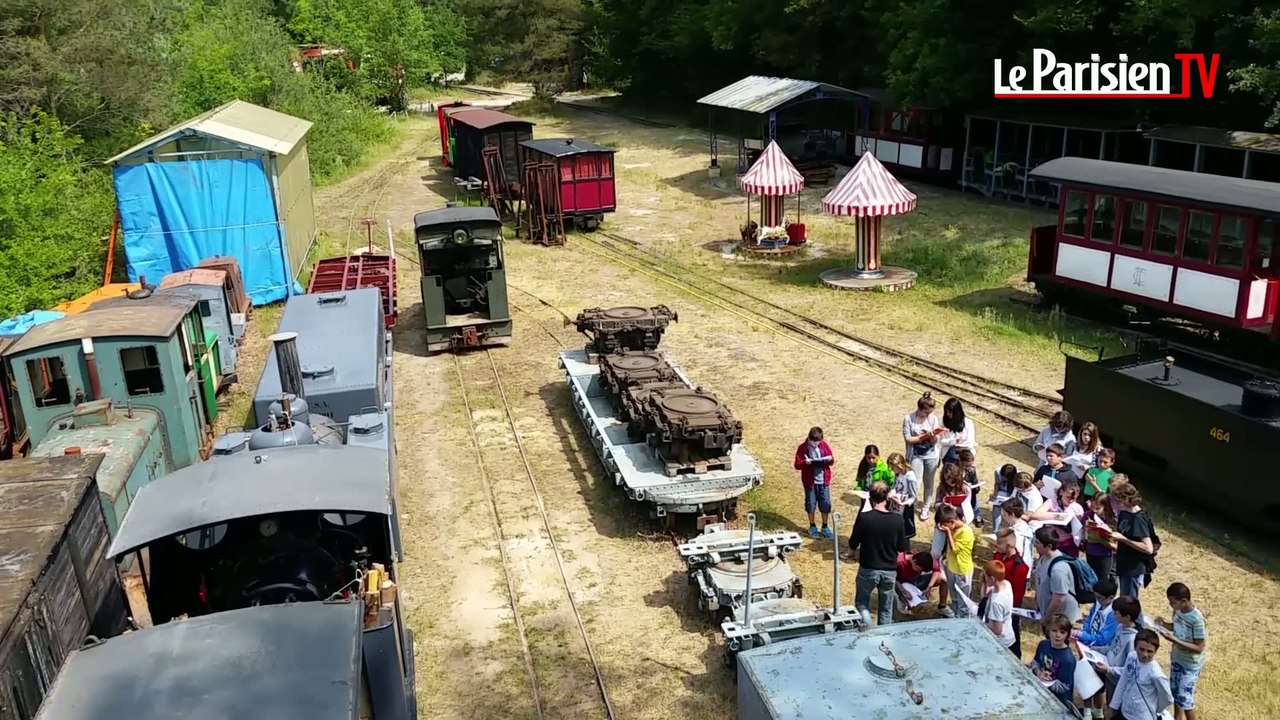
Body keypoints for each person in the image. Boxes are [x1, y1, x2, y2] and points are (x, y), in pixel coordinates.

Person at [846, 482, 909, 625]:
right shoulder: (898, 519)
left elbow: (853, 543)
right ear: (887, 497)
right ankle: (884, 638)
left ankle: (867, 628)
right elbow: (902, 547)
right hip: (889, 571)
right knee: (886, 608)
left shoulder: (865, 517)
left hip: (868, 568)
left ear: (870, 496)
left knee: (862, 603)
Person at [1157, 582, 1207, 720]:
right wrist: (1163, 625)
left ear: (1184, 601)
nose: (1170, 605)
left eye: (1173, 602)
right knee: (1175, 693)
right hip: (1177, 658)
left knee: (1185, 699)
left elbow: (1199, 648)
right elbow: (1177, 627)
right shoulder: (1178, 611)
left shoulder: (1196, 620)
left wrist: (1174, 640)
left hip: (1190, 664)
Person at [1088, 595, 1142, 716]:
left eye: (1116, 613)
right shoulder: (1120, 627)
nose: (1114, 616)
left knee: (1116, 711)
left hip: (1118, 681)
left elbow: (1130, 669)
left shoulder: (1132, 640)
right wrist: (1098, 649)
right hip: (1110, 676)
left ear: (1127, 617)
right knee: (1109, 704)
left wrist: (1109, 669)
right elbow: (1113, 648)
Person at [1108, 628, 1174, 720]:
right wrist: (1113, 706)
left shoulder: (1156, 674)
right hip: (1125, 711)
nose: (1145, 654)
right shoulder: (1131, 657)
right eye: (1141, 649)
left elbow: (1167, 698)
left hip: (1143, 716)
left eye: (1150, 651)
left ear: (1155, 651)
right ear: (1135, 647)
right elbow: (1122, 682)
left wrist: (1156, 708)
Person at [1109, 481, 1155, 599]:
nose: (1117, 504)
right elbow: (1124, 529)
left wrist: (1124, 539)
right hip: (1123, 562)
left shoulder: (1138, 518)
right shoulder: (1124, 512)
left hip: (1133, 567)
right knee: (1124, 598)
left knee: (1129, 602)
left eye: (1119, 501)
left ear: (1126, 499)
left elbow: (1148, 548)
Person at [902, 392, 943, 521]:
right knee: (915, 482)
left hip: (931, 455)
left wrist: (933, 437)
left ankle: (926, 506)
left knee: (929, 483)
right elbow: (908, 438)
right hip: (915, 455)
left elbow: (936, 441)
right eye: (926, 412)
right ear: (920, 409)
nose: (928, 415)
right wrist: (924, 437)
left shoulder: (933, 419)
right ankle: (911, 503)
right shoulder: (909, 418)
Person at [1032, 527, 1082, 630]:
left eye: (1037, 542)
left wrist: (1046, 618)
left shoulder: (1059, 569)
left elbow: (1058, 599)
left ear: (1049, 546)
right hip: (1050, 615)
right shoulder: (1043, 558)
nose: (1034, 545)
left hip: (1061, 620)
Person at [993, 528, 1031, 657]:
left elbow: (1018, 593)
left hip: (1009, 607)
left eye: (999, 543)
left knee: (1012, 636)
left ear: (1008, 545)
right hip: (996, 600)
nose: (996, 546)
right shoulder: (999, 556)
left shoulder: (1019, 567)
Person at [794, 427, 836, 538]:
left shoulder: (824, 445)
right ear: (809, 438)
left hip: (824, 481)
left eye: (818, 442)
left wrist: (829, 460)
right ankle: (812, 526)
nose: (816, 445)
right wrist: (805, 463)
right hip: (810, 482)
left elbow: (832, 460)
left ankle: (825, 526)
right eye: (814, 442)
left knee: (825, 503)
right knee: (811, 504)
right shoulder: (803, 448)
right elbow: (797, 465)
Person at [1031, 613, 1078, 711]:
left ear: (1067, 634)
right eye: (1054, 631)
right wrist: (1039, 673)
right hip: (1039, 695)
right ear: (1048, 630)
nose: (1058, 635)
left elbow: (1065, 686)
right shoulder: (1043, 644)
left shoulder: (1068, 659)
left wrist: (1047, 682)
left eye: (1062, 632)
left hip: (1059, 703)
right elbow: (1035, 662)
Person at [936, 504, 975, 618]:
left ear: (952, 521)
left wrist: (948, 533)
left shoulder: (966, 532)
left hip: (962, 570)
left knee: (963, 601)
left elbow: (956, 550)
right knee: (954, 599)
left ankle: (963, 622)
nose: (943, 527)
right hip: (951, 568)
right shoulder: (953, 528)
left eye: (945, 525)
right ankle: (956, 619)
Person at [930, 463, 974, 559]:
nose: (950, 482)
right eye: (947, 479)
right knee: (935, 551)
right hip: (943, 521)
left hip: (958, 523)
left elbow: (967, 509)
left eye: (952, 479)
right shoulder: (941, 488)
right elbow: (936, 504)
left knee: (952, 551)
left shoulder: (966, 488)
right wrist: (942, 504)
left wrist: (954, 508)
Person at [895, 550, 950, 617]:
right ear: (914, 562)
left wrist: (929, 587)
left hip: (916, 582)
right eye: (919, 570)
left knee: (942, 578)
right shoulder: (899, 561)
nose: (920, 571)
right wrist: (903, 590)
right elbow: (893, 578)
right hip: (902, 586)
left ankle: (942, 607)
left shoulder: (923, 557)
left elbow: (936, 571)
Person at [982, 559, 1017, 653]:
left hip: (1001, 643)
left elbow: (997, 630)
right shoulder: (1006, 584)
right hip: (1009, 636)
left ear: (992, 579)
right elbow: (984, 595)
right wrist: (985, 583)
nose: (984, 578)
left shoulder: (997, 602)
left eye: (985, 577)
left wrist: (982, 625)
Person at [1084, 492, 1119, 582]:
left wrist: (1102, 539)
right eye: (1092, 507)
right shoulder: (1088, 515)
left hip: (1105, 556)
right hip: (1090, 552)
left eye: (1098, 508)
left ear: (1105, 507)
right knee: (1092, 579)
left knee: (1103, 581)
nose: (1094, 510)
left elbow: (1116, 546)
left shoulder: (1112, 521)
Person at [886, 452, 919, 539]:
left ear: (899, 465)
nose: (892, 470)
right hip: (895, 506)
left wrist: (903, 503)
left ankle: (904, 549)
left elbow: (913, 497)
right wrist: (891, 493)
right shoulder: (898, 474)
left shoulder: (910, 478)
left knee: (904, 533)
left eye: (893, 468)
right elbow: (895, 486)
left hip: (905, 508)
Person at [999, 499, 1036, 569]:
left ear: (1012, 514)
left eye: (1004, 514)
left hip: (1017, 568)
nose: (1003, 517)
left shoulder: (1017, 534)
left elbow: (1014, 551)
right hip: (1024, 566)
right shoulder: (1024, 526)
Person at [940, 397, 977, 464]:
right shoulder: (944, 423)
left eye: (950, 412)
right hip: (949, 455)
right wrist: (954, 441)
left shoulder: (968, 423)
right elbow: (942, 442)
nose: (948, 414)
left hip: (965, 456)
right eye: (947, 412)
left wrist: (959, 446)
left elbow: (970, 443)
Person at [955, 448, 984, 526]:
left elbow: (975, 483)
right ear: (960, 461)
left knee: (972, 495)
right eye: (966, 466)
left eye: (970, 465)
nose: (969, 467)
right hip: (956, 494)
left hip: (969, 494)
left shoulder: (972, 470)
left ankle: (977, 514)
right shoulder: (953, 470)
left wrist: (974, 487)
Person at [991, 463, 1018, 532]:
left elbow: (1016, 488)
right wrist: (995, 494)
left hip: (1012, 492)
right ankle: (996, 530)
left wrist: (1011, 497)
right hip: (1002, 491)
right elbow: (997, 483)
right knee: (996, 507)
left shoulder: (1017, 476)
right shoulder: (997, 472)